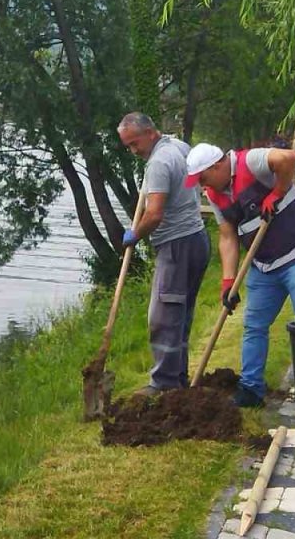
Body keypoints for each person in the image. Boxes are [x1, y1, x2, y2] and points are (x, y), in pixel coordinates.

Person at [184, 143, 295, 424]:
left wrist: (277, 192)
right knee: (254, 325)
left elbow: (287, 158)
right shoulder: (215, 194)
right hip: (265, 264)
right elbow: (227, 237)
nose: (201, 185)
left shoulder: (251, 162)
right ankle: (251, 389)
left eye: (203, 178)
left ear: (217, 166)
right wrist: (228, 281)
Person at [117, 113, 210, 396]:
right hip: (197, 240)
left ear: (149, 133)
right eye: (128, 146)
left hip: (176, 245)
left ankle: (164, 383)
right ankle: (177, 378)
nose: (134, 151)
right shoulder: (179, 147)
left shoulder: (158, 162)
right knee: (180, 313)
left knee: (163, 317)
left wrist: (136, 234)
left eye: (135, 143)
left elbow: (155, 214)